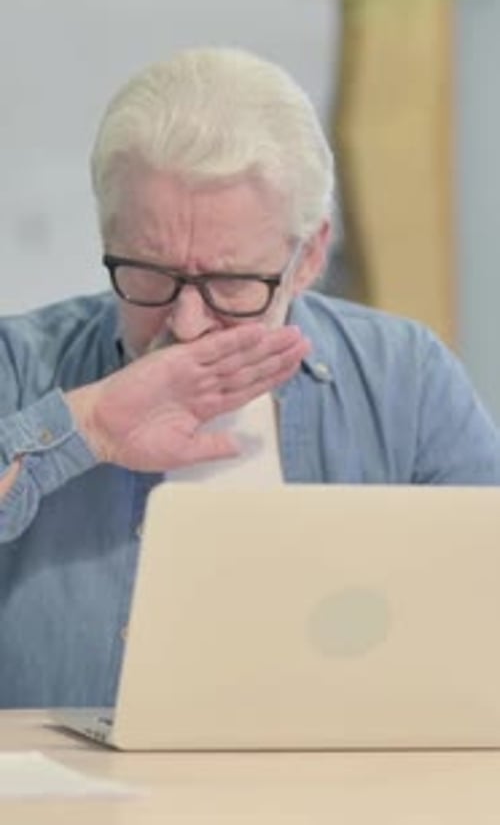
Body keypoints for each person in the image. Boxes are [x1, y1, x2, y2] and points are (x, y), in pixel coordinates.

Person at [1, 47, 499, 709]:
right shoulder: (21, 361)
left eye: (232, 281)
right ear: (106, 233)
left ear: (309, 256)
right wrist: (85, 428)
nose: (186, 321)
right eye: (149, 271)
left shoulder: (404, 379)